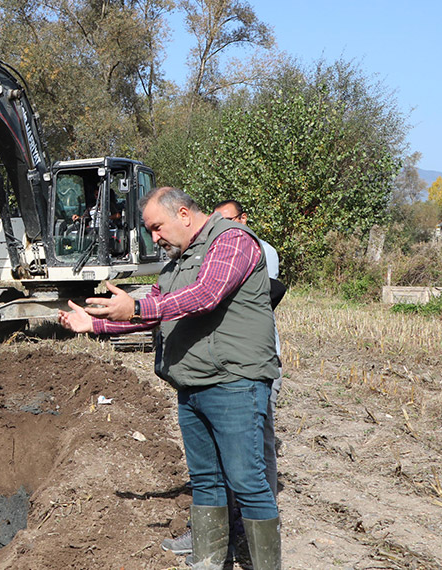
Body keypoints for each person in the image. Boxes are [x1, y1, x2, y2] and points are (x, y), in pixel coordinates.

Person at [58, 187, 281, 569]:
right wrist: (95, 324)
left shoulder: (233, 241)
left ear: (183, 214)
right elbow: (153, 312)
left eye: (157, 227)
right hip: (192, 385)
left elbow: (206, 295)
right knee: (206, 481)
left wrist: (136, 305)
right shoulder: (176, 262)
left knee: (247, 482)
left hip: (234, 382)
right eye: (150, 231)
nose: (155, 237)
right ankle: (209, 561)